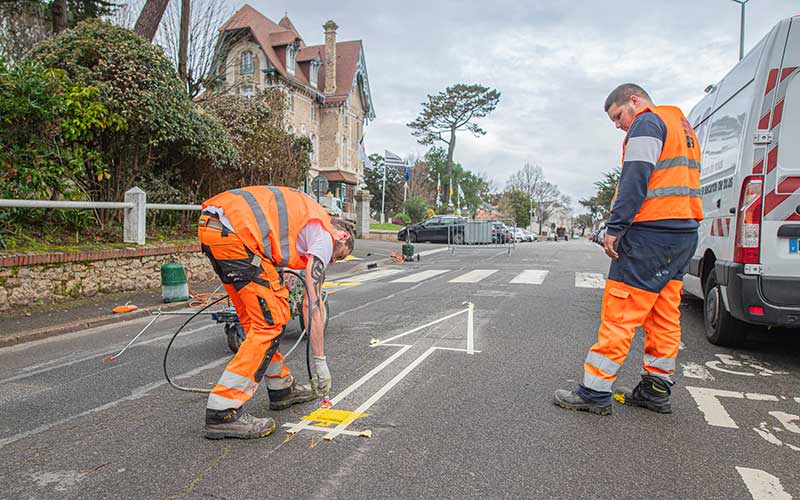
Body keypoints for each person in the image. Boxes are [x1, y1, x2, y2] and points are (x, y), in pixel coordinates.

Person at [554, 83, 703, 416]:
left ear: (634, 101)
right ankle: (656, 390)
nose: (619, 125)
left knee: (620, 313)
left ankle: (594, 392)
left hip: (650, 234)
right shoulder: (681, 124)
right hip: (682, 233)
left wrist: (616, 226)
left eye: (618, 116)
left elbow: (636, 176)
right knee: (664, 314)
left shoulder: (647, 122)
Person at [197, 186, 354, 439]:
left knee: (256, 319)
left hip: (215, 227)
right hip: (237, 233)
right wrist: (320, 362)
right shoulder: (325, 234)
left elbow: (273, 237)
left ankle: (281, 387)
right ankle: (223, 410)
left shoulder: (307, 215)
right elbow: (311, 305)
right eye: (338, 257)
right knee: (270, 323)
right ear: (342, 236)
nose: (332, 262)